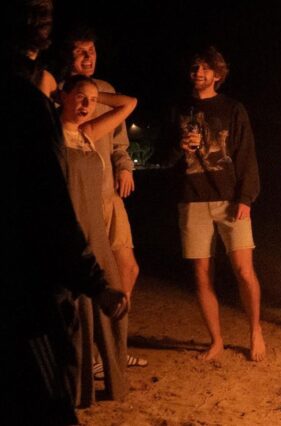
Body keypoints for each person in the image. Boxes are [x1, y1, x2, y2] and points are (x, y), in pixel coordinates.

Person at [2, 0, 127, 423]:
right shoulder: (29, 107)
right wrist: (95, 282)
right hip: (30, 287)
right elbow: (51, 206)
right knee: (48, 399)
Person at [171, 45, 266, 362]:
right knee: (201, 275)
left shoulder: (233, 109)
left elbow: (247, 156)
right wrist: (178, 146)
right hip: (192, 200)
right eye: (194, 67)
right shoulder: (179, 110)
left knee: (243, 270)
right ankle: (216, 341)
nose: (198, 73)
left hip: (230, 200)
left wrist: (246, 198)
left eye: (205, 68)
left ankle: (255, 332)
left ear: (217, 74)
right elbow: (163, 156)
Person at [60, 26, 146, 371]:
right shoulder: (60, 93)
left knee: (128, 268)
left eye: (92, 51)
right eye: (80, 51)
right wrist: (78, 90)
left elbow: (120, 142)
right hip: (80, 199)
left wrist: (125, 167)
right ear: (68, 56)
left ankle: (114, 346)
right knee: (86, 277)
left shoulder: (106, 92)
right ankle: (93, 353)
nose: (88, 57)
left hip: (109, 194)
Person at [58, 74, 137, 405]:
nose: (86, 104)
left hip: (97, 233)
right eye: (79, 97)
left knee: (114, 304)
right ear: (62, 97)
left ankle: (115, 381)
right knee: (78, 314)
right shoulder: (52, 135)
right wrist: (65, 96)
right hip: (70, 232)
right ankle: (79, 389)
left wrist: (94, 98)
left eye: (91, 99)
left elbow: (129, 103)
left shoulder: (88, 134)